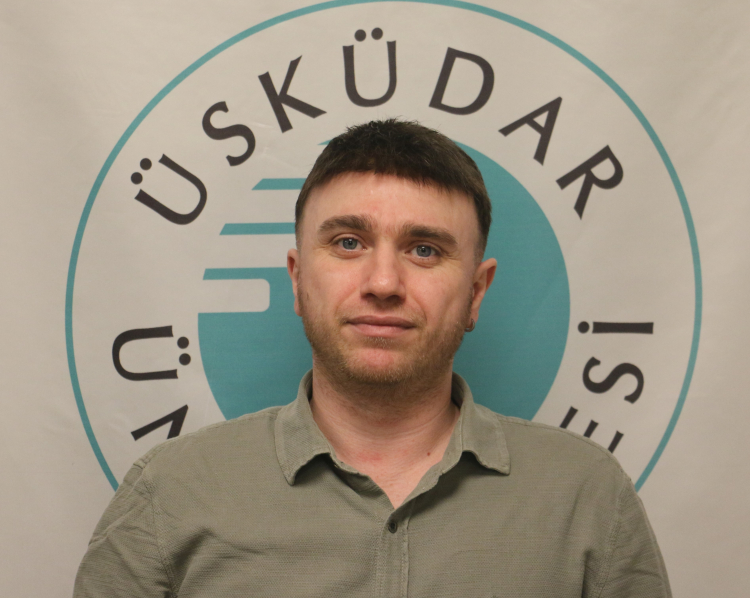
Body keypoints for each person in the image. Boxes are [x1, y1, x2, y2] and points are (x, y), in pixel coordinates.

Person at [73, 119, 671, 597]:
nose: (383, 282)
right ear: (297, 278)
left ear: (476, 292)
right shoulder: (170, 496)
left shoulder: (588, 498)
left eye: (424, 249)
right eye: (348, 242)